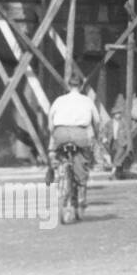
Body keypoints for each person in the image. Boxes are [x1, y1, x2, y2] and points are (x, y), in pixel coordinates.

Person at [47, 71, 102, 220]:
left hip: (61, 133)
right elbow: (96, 121)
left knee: (54, 154)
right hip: (79, 135)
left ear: (68, 85)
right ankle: (81, 194)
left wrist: (54, 135)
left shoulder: (59, 100)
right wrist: (96, 136)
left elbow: (50, 121)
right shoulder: (87, 100)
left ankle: (56, 171)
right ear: (81, 85)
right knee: (84, 161)